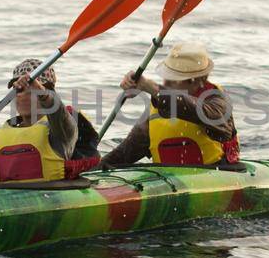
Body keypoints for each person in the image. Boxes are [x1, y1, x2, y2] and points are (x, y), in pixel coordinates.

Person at [0, 59, 102, 184]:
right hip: (7, 201)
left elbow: (58, 112)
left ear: (47, 91)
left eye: (28, 88)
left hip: (53, 199)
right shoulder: (3, 135)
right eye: (17, 89)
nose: (20, 94)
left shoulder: (62, 131)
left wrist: (42, 93)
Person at [101, 42, 240, 168]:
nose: (166, 84)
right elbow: (127, 152)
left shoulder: (217, 101)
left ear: (196, 81)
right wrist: (93, 169)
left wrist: (153, 88)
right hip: (169, 181)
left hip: (217, 173)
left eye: (174, 79)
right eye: (167, 77)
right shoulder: (158, 106)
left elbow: (202, 112)